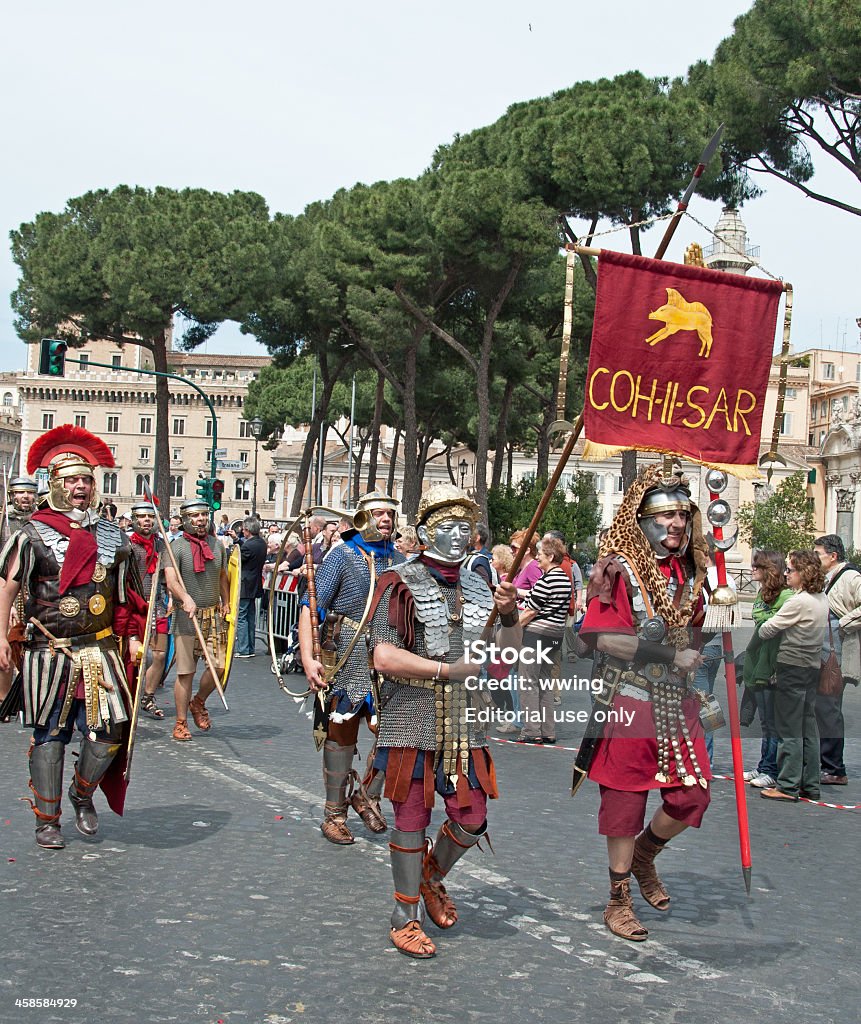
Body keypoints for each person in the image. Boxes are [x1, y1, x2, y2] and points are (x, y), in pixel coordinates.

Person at [367, 483, 520, 959]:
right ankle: (404, 914)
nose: (457, 536)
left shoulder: (481, 586)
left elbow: (508, 651)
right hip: (411, 715)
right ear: (427, 530)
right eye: (447, 526)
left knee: (472, 818)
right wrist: (445, 670)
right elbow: (384, 656)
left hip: (464, 721)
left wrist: (510, 611)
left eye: (465, 527)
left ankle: (431, 874)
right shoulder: (397, 581)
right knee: (411, 818)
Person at [578, 465, 710, 942]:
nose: (675, 523)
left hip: (679, 700)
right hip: (631, 697)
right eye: (664, 514)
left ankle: (644, 855)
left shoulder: (691, 568)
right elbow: (604, 639)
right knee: (625, 800)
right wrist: (672, 653)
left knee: (693, 794)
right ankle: (618, 899)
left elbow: (693, 625)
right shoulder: (619, 569)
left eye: (682, 513)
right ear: (641, 520)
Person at [0, 425, 146, 849]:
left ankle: (82, 793)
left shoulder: (113, 536)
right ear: (56, 485)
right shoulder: (30, 534)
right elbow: (8, 587)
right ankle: (47, 818)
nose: (81, 487)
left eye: (86, 480)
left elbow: (127, 598)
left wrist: (134, 637)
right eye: (72, 481)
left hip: (100, 651)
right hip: (49, 651)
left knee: (108, 735)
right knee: (51, 737)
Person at [300, 492, 404, 844]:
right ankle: (334, 814)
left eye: (391, 513)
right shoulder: (342, 555)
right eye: (379, 513)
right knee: (342, 735)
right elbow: (310, 605)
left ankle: (367, 793)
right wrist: (307, 656)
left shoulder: (401, 561)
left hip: (391, 656)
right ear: (363, 516)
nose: (387, 519)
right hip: (347, 653)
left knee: (399, 731)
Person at [757, 550, 828, 802]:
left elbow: (767, 630)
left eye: (791, 570)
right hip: (811, 667)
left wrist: (767, 620)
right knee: (808, 727)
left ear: (803, 573)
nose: (787, 574)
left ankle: (787, 785)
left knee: (789, 728)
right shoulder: (821, 598)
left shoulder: (798, 601)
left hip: (792, 667)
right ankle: (811, 784)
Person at [165, 497, 229, 742]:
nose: (201, 520)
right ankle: (180, 722)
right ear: (185, 520)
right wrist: (184, 597)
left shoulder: (217, 545)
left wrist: (226, 601)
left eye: (204, 515)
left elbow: (222, 575)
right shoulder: (175, 547)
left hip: (212, 614)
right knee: (186, 672)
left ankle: (198, 701)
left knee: (219, 668)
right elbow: (171, 580)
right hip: (186, 616)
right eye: (195, 516)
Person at [812, 533, 860, 785]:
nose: (814, 557)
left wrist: (843, 622)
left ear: (833, 556)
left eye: (818, 553)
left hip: (835, 653)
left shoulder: (851, 577)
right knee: (821, 708)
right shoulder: (826, 577)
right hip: (822, 650)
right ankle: (825, 763)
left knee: (829, 709)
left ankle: (834, 768)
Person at [742, 550, 792, 788]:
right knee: (764, 722)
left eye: (757, 566)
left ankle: (772, 770)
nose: (752, 569)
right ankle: (763, 765)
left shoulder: (786, 596)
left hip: (773, 664)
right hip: (758, 660)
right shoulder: (762, 593)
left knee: (773, 722)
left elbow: (774, 628)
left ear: (768, 569)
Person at [516, 536, 572, 744]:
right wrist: (519, 592)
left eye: (540, 554)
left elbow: (531, 611)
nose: (537, 557)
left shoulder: (546, 579)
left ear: (550, 556)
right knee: (545, 682)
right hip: (555, 635)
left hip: (536, 635)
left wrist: (512, 630)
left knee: (528, 682)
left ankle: (531, 730)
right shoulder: (563, 579)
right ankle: (548, 730)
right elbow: (538, 596)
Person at [692, 542, 738, 766]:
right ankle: (705, 754)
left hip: (702, 645)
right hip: (717, 645)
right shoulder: (727, 579)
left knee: (700, 703)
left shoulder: (701, 579)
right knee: (707, 701)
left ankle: (703, 756)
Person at [128, 501, 170, 720]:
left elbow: (169, 577)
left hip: (157, 606)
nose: (147, 520)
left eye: (150, 517)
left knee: (160, 655)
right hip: (132, 605)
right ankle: (129, 694)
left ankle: (148, 696)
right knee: (132, 655)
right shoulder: (126, 545)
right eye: (143, 517)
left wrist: (172, 596)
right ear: (135, 520)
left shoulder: (162, 546)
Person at [0, 477, 38, 711]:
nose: (25, 497)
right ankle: (3, 699)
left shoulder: (40, 522)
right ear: (12, 495)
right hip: (6, 588)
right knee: (6, 645)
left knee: (34, 648)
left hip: (33, 590)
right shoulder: (3, 521)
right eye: (20, 493)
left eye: (29, 493)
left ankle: (32, 700)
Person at [236, 516, 267, 658]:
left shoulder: (248, 546)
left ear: (247, 530)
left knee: (242, 617)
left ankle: (243, 648)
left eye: (244, 529)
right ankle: (250, 647)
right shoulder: (262, 543)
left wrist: (236, 545)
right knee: (250, 616)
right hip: (254, 583)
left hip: (245, 584)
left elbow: (240, 558)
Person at [509, 529, 542, 601]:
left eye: (514, 548)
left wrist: (516, 592)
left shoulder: (533, 567)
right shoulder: (520, 569)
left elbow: (539, 595)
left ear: (527, 551)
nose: (511, 551)